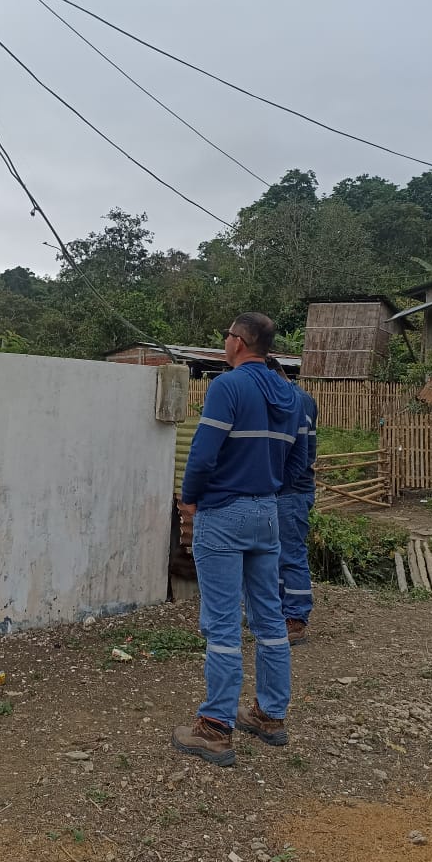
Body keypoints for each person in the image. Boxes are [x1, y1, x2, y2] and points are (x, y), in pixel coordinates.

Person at [172, 314, 307, 768]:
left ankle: (215, 727)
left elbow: (203, 452)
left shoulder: (227, 387)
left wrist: (190, 499)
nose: (224, 342)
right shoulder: (290, 395)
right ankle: (269, 714)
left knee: (223, 622)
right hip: (266, 514)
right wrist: (269, 491)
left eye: (227, 335)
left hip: (224, 514)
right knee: (269, 616)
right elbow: (298, 459)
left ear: (239, 342)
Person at [267, 356, 318, 646]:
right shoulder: (299, 398)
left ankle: (296, 619)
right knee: (275, 554)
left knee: (290, 554)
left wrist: (278, 481)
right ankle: (279, 613)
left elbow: (300, 453)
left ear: (273, 376)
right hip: (284, 489)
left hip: (291, 490)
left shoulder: (295, 401)